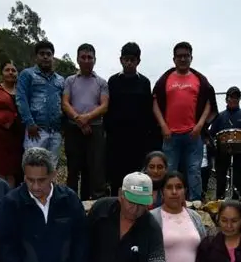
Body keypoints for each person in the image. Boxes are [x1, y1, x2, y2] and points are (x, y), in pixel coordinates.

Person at [0, 147, 88, 262]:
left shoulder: (69, 200)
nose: (35, 186)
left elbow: (81, 240)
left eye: (41, 180)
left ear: (53, 175)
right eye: (30, 180)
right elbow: (6, 245)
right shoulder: (12, 202)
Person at [152, 41, 217, 201]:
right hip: (170, 135)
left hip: (193, 135)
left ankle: (195, 203)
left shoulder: (200, 80)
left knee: (194, 170)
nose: (182, 59)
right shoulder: (165, 80)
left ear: (191, 58)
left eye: (186, 56)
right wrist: (163, 126)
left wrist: (200, 125)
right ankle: (166, 203)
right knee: (169, 171)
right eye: (179, 56)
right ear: (174, 59)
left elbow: (209, 103)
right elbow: (154, 102)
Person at [150, 171, 208, 262]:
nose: (174, 192)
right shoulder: (152, 218)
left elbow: (205, 249)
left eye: (179, 187)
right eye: (169, 187)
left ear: (185, 191)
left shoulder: (195, 217)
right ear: (162, 192)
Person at [106, 42, 158, 195]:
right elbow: (108, 108)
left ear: (138, 61)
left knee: (137, 177)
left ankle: (137, 205)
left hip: (138, 139)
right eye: (126, 59)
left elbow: (148, 110)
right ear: (121, 60)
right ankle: (116, 203)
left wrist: (148, 135)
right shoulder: (113, 81)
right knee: (116, 177)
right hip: (116, 138)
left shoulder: (144, 82)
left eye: (132, 60)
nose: (129, 63)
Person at [62, 43, 110, 200]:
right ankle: (70, 200)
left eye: (90, 57)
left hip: (95, 129)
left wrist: (86, 118)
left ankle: (95, 202)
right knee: (73, 167)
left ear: (95, 60)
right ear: (77, 59)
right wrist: (79, 120)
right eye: (83, 57)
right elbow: (65, 103)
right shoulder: (70, 80)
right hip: (73, 129)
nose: (87, 60)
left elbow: (104, 106)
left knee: (96, 168)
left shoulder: (101, 82)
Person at [17, 40, 66, 163]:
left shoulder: (60, 80)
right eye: (42, 54)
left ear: (52, 57)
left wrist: (63, 128)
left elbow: (64, 103)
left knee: (51, 168)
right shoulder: (27, 74)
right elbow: (21, 99)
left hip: (55, 132)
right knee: (33, 166)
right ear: (36, 57)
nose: (45, 57)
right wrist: (30, 123)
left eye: (48, 54)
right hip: (36, 131)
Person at [207, 86, 241, 201]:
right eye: (231, 97)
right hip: (222, 152)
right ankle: (219, 200)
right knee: (221, 177)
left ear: (239, 99)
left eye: (236, 97)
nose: (233, 100)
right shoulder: (219, 116)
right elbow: (212, 134)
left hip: (240, 153)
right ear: (226, 99)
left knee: (239, 177)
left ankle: (238, 200)